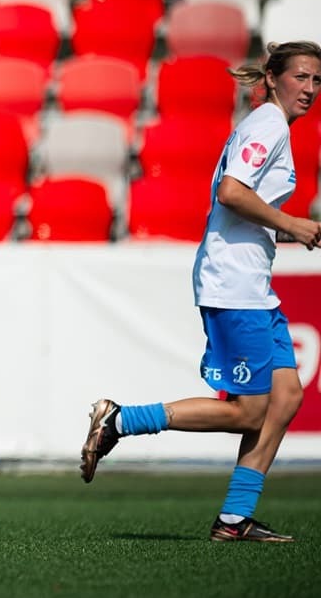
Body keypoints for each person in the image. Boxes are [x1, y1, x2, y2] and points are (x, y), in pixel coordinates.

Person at [81, 41, 321, 543]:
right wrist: (292, 224)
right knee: (249, 410)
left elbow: (239, 210)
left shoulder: (269, 125)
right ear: (273, 78)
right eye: (301, 77)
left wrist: (285, 230)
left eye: (317, 81)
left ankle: (234, 520)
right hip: (233, 286)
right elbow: (231, 192)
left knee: (286, 397)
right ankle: (121, 420)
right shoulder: (269, 124)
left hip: (251, 283)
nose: (310, 89)